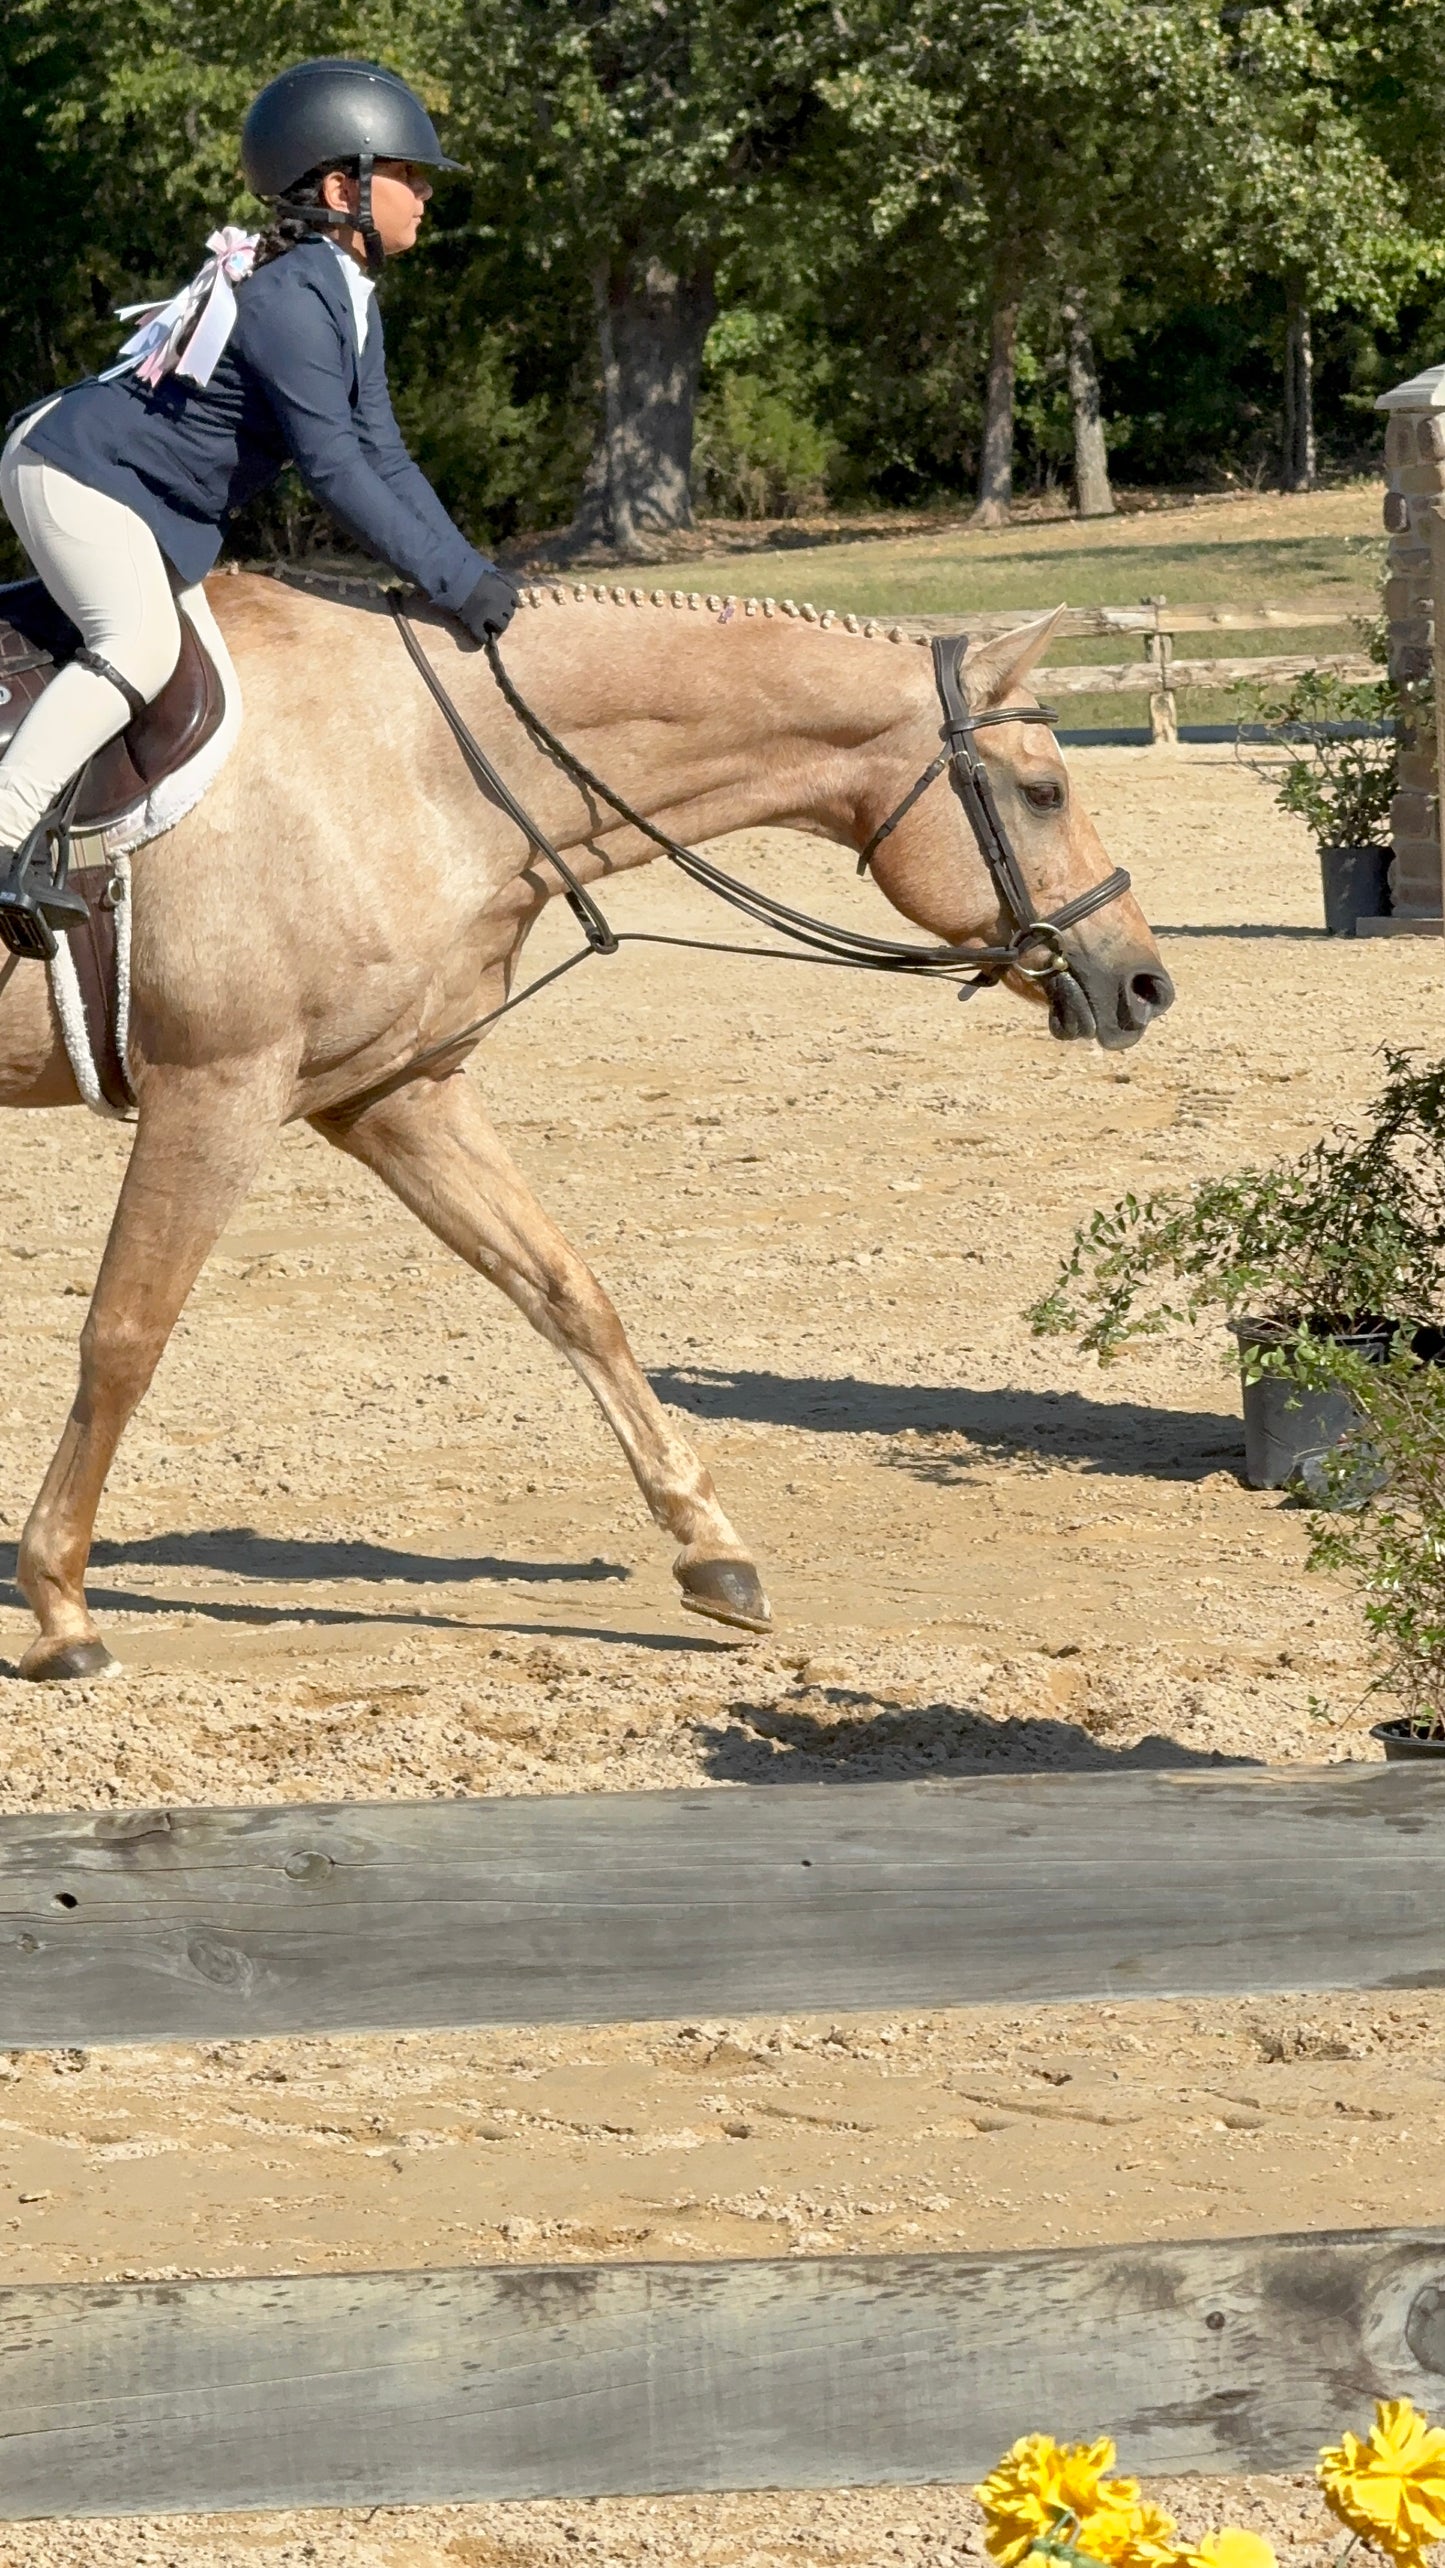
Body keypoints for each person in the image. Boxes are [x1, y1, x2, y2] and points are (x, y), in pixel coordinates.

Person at [0, 56, 518, 952]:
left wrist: (465, 573)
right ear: (338, 187)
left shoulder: (344, 295)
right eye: (407, 174)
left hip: (131, 493)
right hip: (74, 473)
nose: (424, 195)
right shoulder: (289, 297)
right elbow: (333, 469)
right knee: (138, 646)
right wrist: (453, 578)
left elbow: (383, 455)